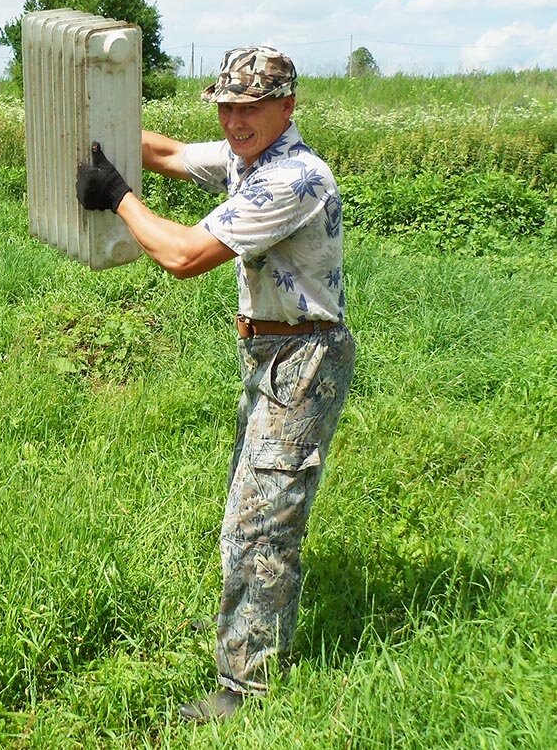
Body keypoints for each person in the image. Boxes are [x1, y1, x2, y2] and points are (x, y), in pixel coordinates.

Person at [76, 46, 356, 723]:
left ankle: (245, 692)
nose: (236, 119)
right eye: (227, 106)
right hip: (268, 354)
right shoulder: (247, 156)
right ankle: (256, 654)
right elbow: (168, 153)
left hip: (303, 359)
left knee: (257, 530)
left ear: (287, 107)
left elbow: (182, 255)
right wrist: (82, 123)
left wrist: (117, 197)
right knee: (256, 513)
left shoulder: (293, 178)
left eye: (251, 106)